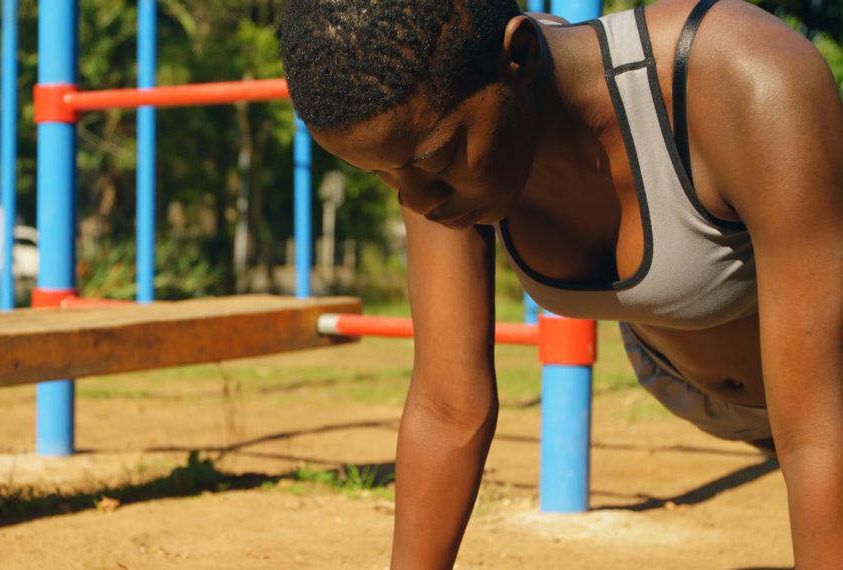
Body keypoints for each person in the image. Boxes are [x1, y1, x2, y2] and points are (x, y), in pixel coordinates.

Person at [280, 0, 843, 567]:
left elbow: (820, 427)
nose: (416, 202)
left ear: (518, 58)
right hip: (715, 400)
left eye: (434, 160)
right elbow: (449, 406)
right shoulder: (431, 140)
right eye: (379, 172)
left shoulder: (743, 77)